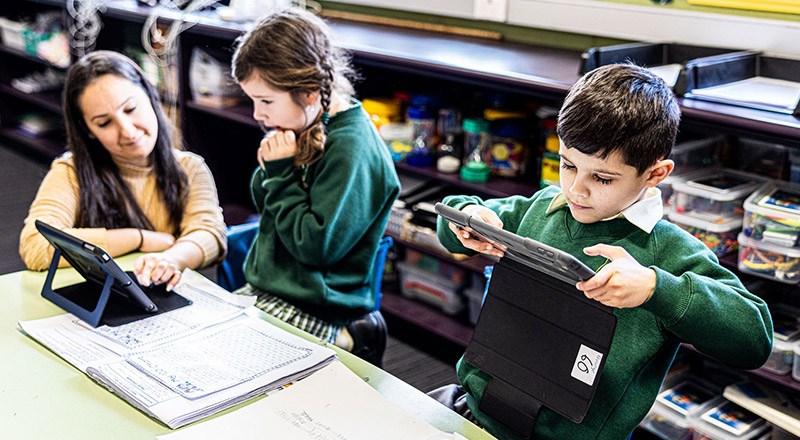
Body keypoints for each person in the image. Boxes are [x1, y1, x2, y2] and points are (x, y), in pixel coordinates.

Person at [434, 64, 773, 439]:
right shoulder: (543, 207)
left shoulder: (670, 253)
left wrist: (656, 289)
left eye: (601, 177)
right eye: (567, 165)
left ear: (654, 175)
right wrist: (467, 219)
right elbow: (456, 219)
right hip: (475, 416)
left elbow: (754, 340)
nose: (576, 190)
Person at [230, 8, 400, 355]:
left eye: (266, 101)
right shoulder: (304, 125)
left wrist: (279, 175)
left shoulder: (352, 148)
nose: (257, 114)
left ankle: (351, 342)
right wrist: (272, 170)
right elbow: (268, 207)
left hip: (318, 307)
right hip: (276, 291)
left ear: (309, 93)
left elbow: (316, 247)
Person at [20, 51, 226, 291]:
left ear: (150, 97)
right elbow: (35, 245)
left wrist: (170, 259)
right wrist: (138, 238)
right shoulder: (71, 171)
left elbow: (210, 235)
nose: (127, 131)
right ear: (87, 129)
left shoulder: (189, 167)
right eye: (104, 123)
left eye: (130, 109)